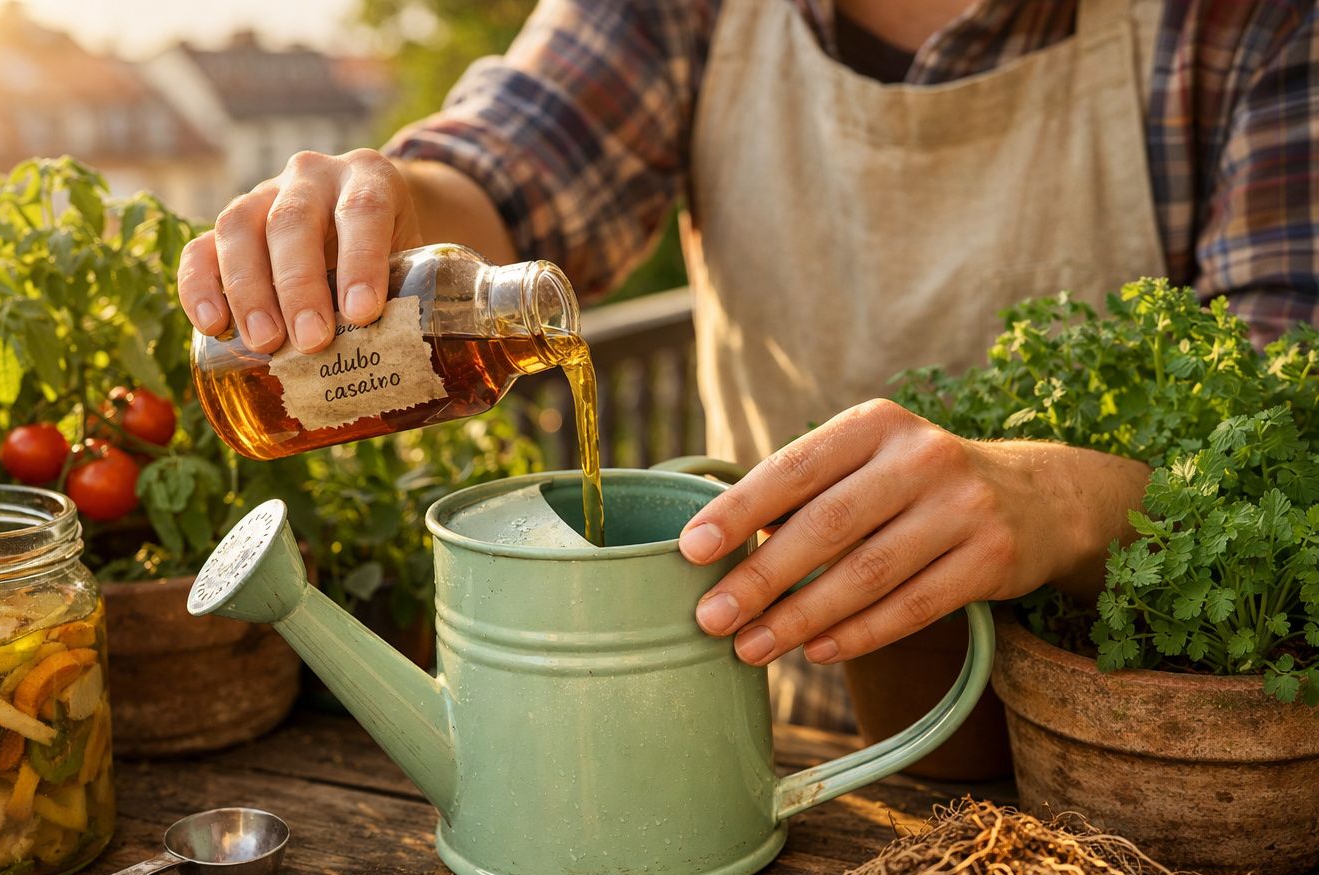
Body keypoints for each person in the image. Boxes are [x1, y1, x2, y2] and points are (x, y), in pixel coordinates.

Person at [177, 0, 1319, 726]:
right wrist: (377, 215)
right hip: (783, 733)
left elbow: (1286, 450)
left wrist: (1062, 499)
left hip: (1149, 758)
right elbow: (508, 167)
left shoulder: (1254, 26)